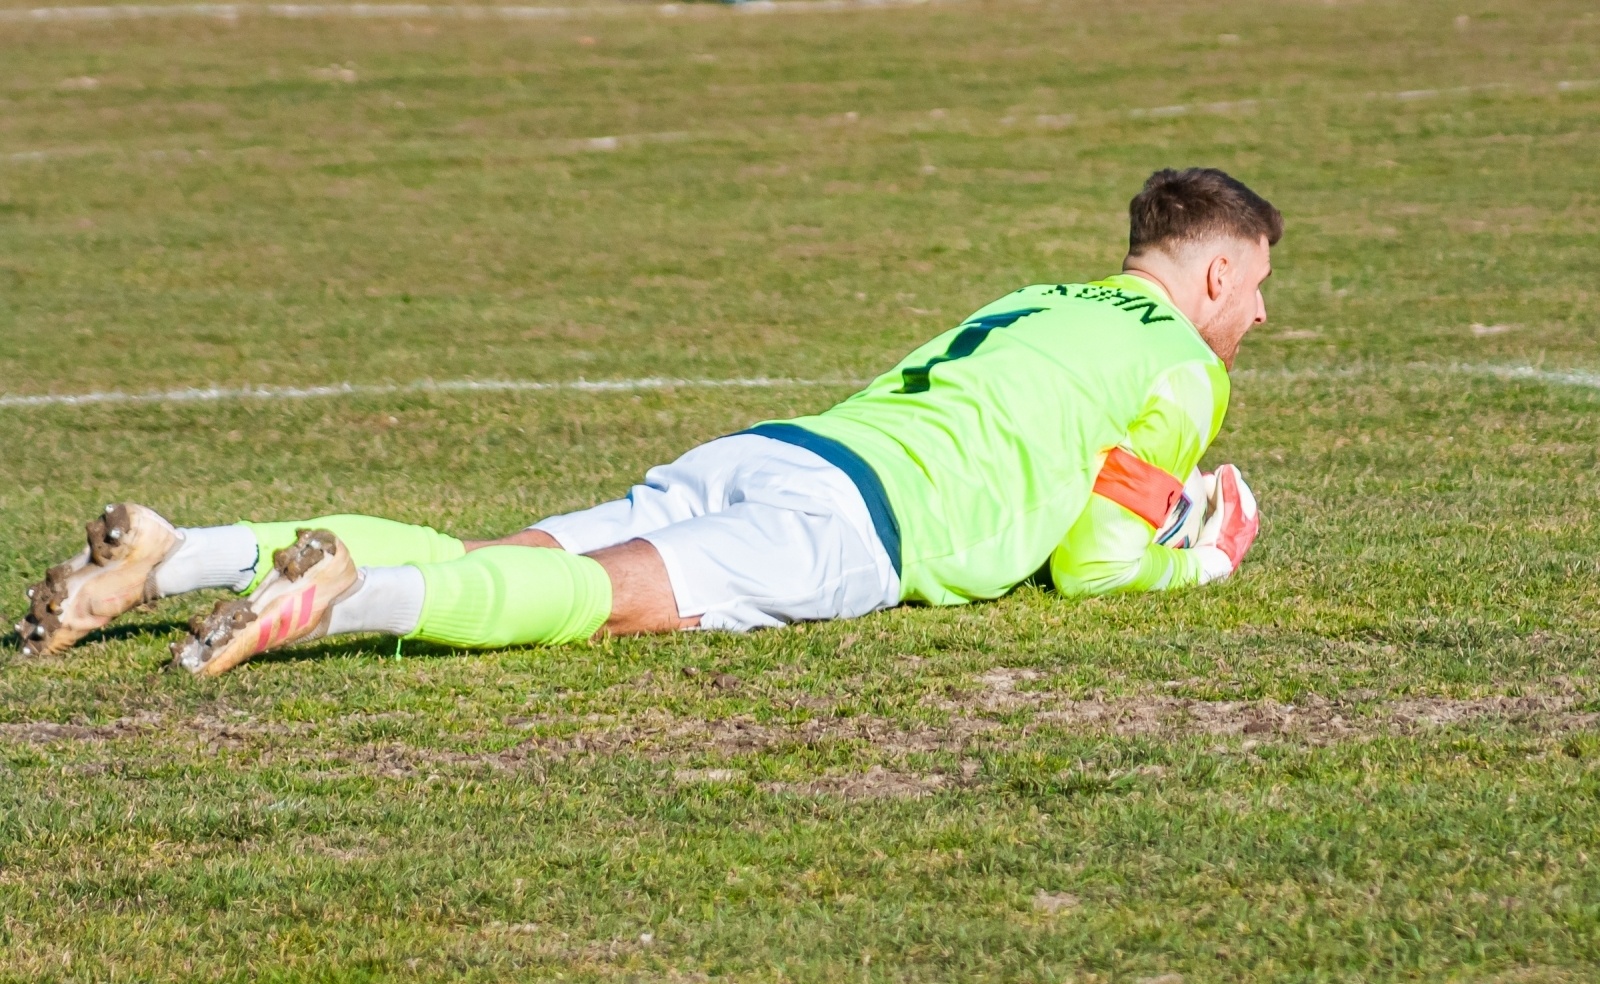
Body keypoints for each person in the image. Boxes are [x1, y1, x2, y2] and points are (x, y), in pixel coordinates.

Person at [16, 167, 1278, 677]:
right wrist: (1199, 547)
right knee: (602, 595)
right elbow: (1094, 561)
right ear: (1213, 275)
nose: (1262, 316)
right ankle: (336, 600)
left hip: (779, 447)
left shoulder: (1040, 293)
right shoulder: (1181, 365)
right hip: (859, 522)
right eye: (1261, 286)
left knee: (501, 554)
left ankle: (179, 553)